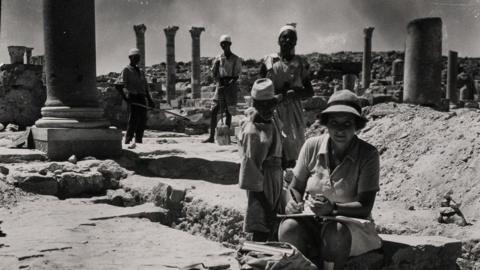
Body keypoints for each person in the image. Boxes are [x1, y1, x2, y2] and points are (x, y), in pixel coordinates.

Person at [278, 90, 382, 270]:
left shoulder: (368, 154)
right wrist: (292, 203)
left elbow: (365, 206)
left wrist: (332, 209)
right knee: (288, 228)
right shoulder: (312, 145)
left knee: (336, 233)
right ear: (326, 123)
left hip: (350, 225)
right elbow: (295, 187)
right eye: (334, 123)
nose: (340, 129)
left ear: (357, 125)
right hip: (313, 220)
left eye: (347, 123)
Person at [260, 25, 314, 167]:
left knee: (294, 149)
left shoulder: (301, 63)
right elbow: (259, 87)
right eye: (284, 37)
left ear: (296, 42)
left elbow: (309, 91)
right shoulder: (269, 62)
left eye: (291, 37)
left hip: (293, 112)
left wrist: (295, 93)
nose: (287, 40)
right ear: (278, 40)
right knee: (273, 148)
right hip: (272, 109)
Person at [238, 78, 283, 241]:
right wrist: (266, 207)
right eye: (261, 105)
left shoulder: (272, 119)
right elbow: (251, 173)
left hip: (275, 179)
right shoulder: (253, 133)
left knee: (272, 229)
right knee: (262, 226)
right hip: (262, 187)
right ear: (254, 104)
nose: (266, 109)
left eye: (270, 104)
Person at [203, 35, 243, 143]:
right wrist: (216, 69)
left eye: (226, 44)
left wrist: (230, 83)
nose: (224, 46)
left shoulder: (235, 59)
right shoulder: (218, 58)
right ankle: (211, 136)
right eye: (222, 44)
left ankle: (226, 136)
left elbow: (236, 75)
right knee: (215, 110)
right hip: (220, 85)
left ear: (230, 44)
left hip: (230, 86)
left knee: (229, 111)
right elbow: (214, 74)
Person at [115, 48, 154, 149]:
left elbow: (145, 87)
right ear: (130, 58)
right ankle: (128, 140)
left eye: (139, 57)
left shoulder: (140, 71)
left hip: (141, 97)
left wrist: (149, 100)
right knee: (133, 119)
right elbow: (119, 85)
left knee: (142, 119)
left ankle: (139, 141)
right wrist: (126, 98)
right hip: (133, 97)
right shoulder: (126, 70)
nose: (138, 59)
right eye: (136, 57)